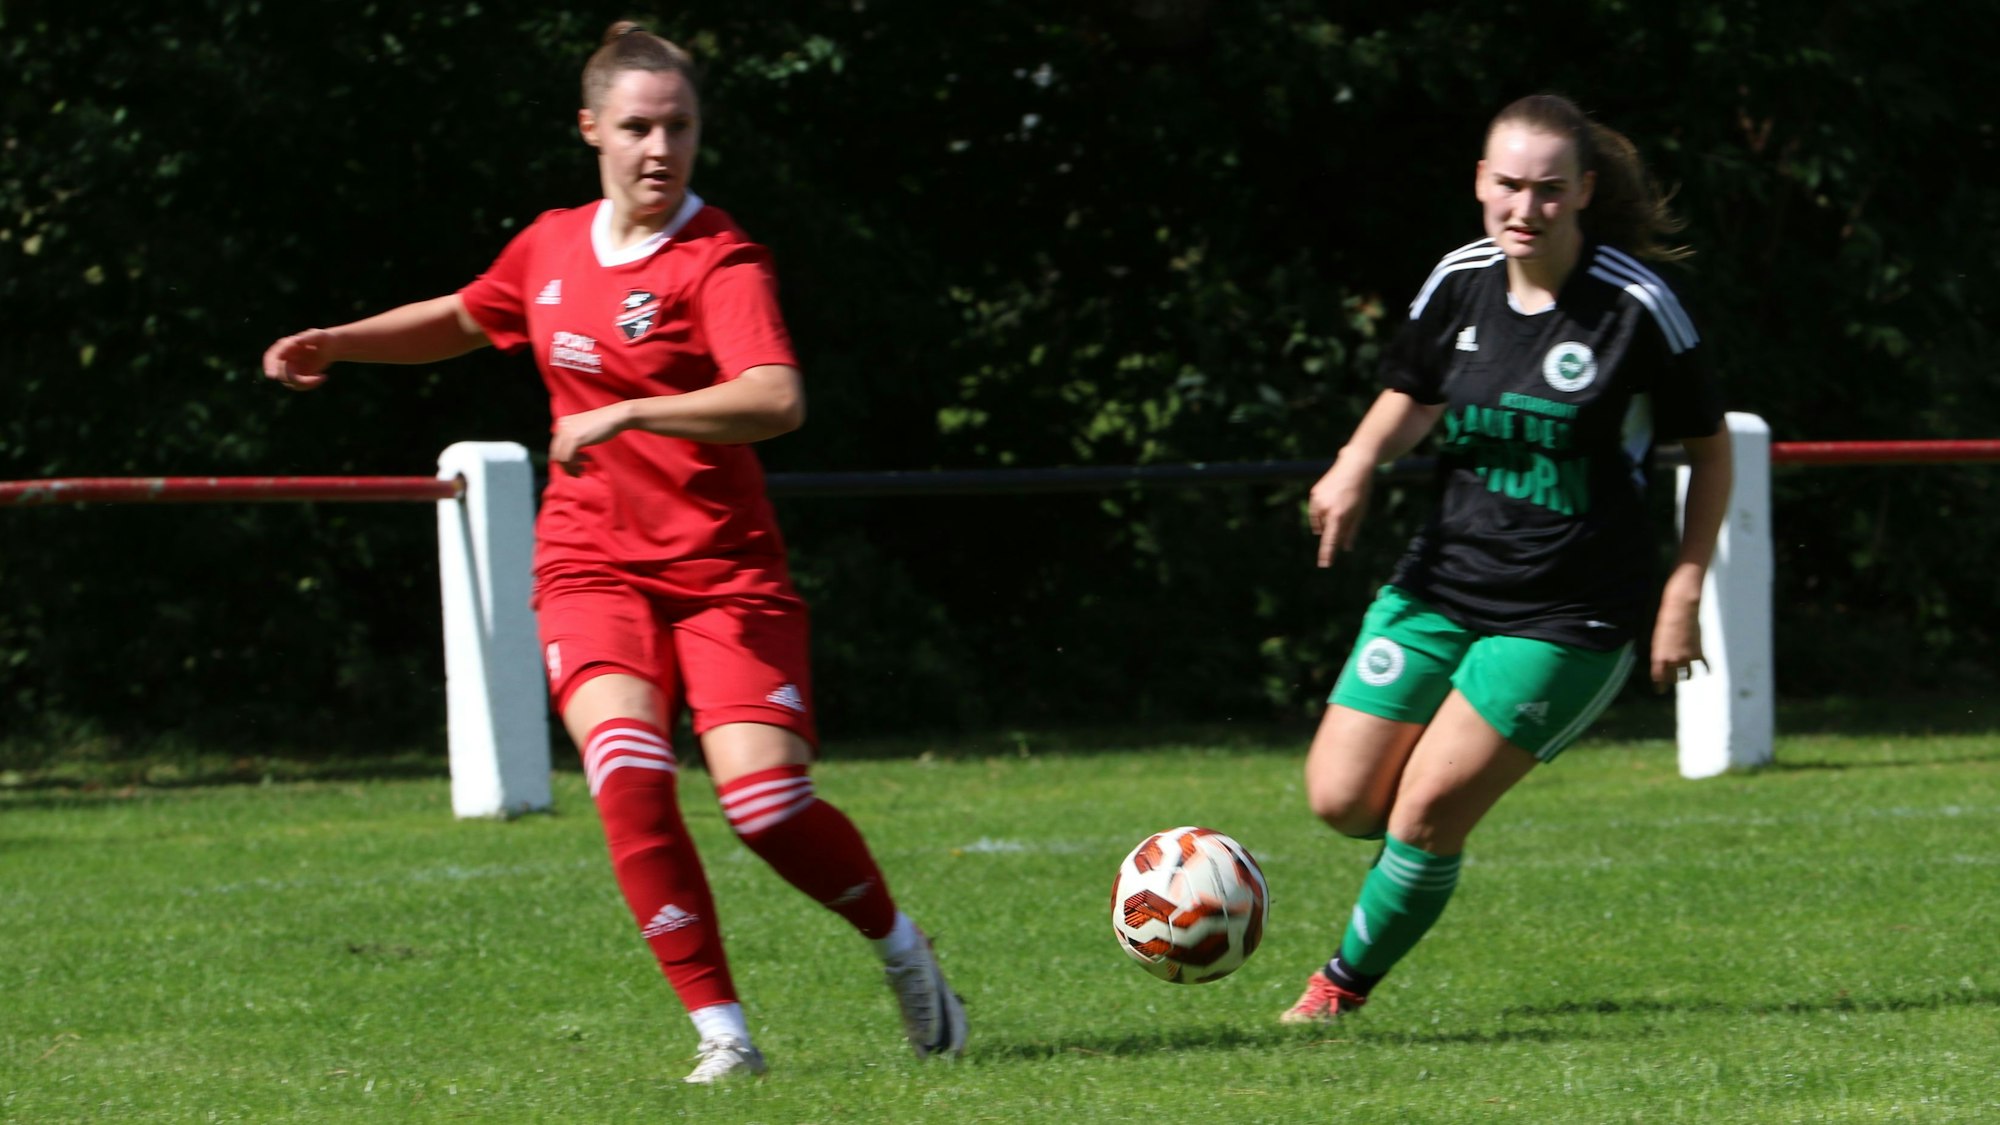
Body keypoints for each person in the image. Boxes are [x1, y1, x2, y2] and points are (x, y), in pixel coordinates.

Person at [262, 22, 966, 1083]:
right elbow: (464, 315)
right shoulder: (549, 246)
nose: (657, 148)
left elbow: (776, 399)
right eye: (636, 126)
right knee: (628, 778)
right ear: (590, 128)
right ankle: (722, 1033)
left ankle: (902, 952)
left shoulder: (717, 258)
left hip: (724, 575)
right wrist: (340, 342)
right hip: (589, 565)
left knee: (765, 808)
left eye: (677, 127)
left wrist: (636, 411)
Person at [1279, 94, 1733, 1023]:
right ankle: (1407, 868)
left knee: (1430, 807)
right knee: (1340, 799)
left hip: (1571, 610)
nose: (1525, 209)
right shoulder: (1460, 280)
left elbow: (1711, 447)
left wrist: (1684, 584)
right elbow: (1413, 390)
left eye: (1550, 191)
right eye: (1510, 186)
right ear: (1481, 183)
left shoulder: (1637, 308)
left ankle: (1334, 991)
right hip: (1441, 583)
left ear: (1586, 192)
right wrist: (1356, 461)